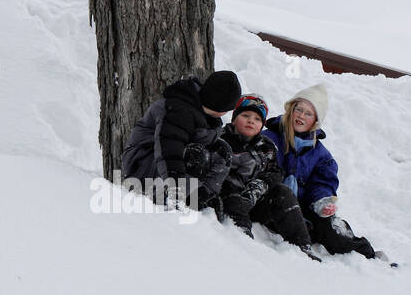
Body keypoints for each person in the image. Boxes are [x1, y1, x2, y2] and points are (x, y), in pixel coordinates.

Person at [262, 84, 389, 261]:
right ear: (291, 110)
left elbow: (321, 183)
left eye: (308, 113)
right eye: (299, 109)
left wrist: (322, 202)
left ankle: (367, 254)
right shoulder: (270, 137)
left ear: (315, 120)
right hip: (274, 204)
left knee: (330, 232)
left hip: (304, 209)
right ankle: (304, 243)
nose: (301, 116)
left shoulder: (321, 155)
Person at [121, 70, 242, 211]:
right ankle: (168, 202)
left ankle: (199, 198)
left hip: (162, 165)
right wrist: (175, 187)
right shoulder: (179, 110)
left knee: (222, 152)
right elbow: (169, 149)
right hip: (142, 164)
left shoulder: (203, 113)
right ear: (223, 108)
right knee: (196, 154)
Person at [219, 95, 313, 251]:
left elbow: (276, 172)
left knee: (283, 192)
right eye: (245, 116)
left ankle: (302, 244)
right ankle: (240, 235)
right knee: (230, 189)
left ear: (262, 125)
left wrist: (260, 184)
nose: (251, 121)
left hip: (254, 202)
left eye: (257, 119)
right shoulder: (222, 140)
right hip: (227, 197)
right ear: (234, 119)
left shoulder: (266, 146)